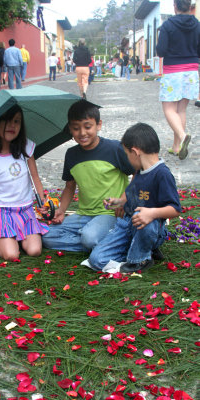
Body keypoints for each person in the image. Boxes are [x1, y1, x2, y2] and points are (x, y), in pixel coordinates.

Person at [42, 100, 135, 253]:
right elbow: (69, 186)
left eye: (87, 126)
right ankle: (102, 240)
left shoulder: (114, 149)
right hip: (84, 214)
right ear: (70, 129)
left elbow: (138, 174)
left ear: (99, 125)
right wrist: (61, 209)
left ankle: (94, 238)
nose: (82, 133)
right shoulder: (71, 154)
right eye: (76, 128)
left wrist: (124, 200)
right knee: (47, 236)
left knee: (89, 238)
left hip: (110, 213)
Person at [87, 123, 181, 274]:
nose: (127, 158)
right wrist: (119, 201)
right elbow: (132, 193)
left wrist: (152, 213)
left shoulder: (162, 174)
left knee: (141, 215)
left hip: (150, 227)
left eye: (126, 154)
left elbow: (175, 209)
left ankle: (139, 260)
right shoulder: (139, 171)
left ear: (135, 152)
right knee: (97, 259)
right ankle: (144, 249)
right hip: (127, 224)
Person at [0, 105, 49, 261]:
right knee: (11, 255)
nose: (12, 125)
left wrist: (43, 200)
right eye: (7, 121)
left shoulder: (26, 147)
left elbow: (35, 177)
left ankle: (19, 236)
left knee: (34, 250)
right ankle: (2, 234)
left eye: (17, 121)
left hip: (26, 211)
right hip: (4, 213)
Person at [156, 0, 200, 159]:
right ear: (190, 7)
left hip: (173, 71)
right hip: (192, 72)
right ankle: (176, 147)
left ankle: (182, 137)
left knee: (168, 108)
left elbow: (161, 51)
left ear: (175, 6)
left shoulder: (168, 25)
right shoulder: (197, 24)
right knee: (181, 109)